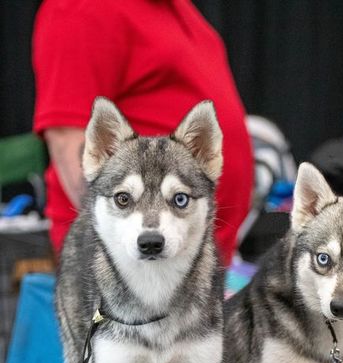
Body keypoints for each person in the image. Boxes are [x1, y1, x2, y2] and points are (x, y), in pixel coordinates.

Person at [32, 0, 253, 266]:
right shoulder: (79, 7)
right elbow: (68, 139)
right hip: (136, 266)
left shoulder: (176, 8)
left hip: (190, 264)